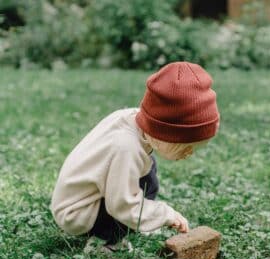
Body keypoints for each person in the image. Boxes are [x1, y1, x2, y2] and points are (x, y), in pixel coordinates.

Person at [50, 61, 220, 245]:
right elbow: (122, 205)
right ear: (164, 132)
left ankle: (134, 223)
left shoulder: (137, 123)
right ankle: (104, 242)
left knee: (148, 170)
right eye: (186, 146)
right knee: (131, 198)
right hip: (77, 211)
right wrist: (164, 215)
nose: (189, 154)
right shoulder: (125, 148)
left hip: (95, 193)